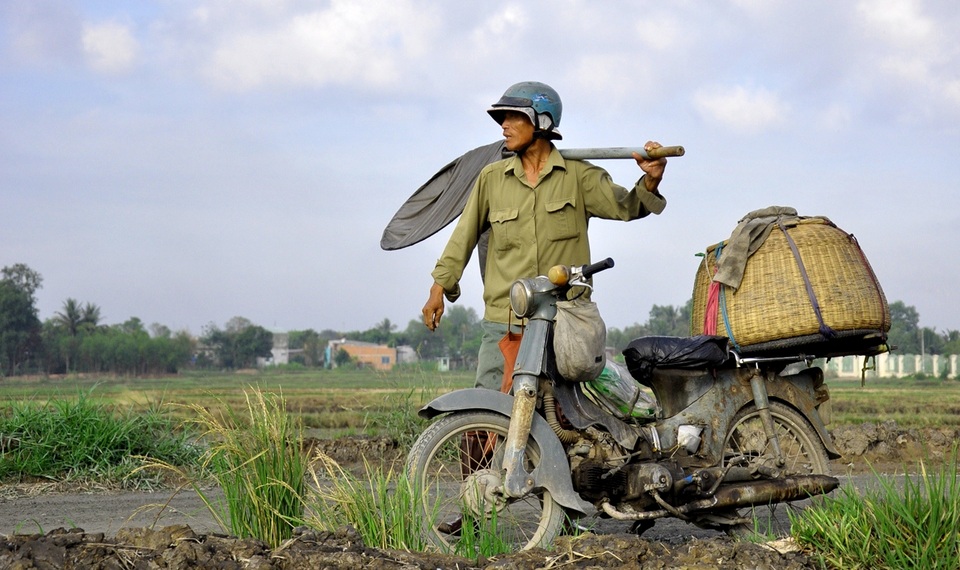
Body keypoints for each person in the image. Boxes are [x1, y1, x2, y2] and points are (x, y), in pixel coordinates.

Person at [422, 81, 669, 392]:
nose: (504, 128)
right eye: (502, 120)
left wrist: (650, 180)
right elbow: (463, 236)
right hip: (505, 320)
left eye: (513, 118)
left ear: (541, 121)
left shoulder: (579, 176)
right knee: (486, 411)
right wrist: (438, 288)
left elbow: (627, 206)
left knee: (559, 414)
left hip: (562, 321)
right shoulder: (492, 179)